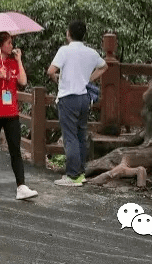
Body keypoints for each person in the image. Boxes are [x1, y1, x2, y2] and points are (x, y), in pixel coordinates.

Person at [47, 20, 107, 186]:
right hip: (84, 98)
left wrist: (56, 78)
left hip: (68, 97)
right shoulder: (91, 52)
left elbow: (51, 70)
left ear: (68, 34)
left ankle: (73, 176)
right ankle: (80, 173)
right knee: (80, 136)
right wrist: (89, 78)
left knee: (70, 137)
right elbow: (104, 66)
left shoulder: (65, 51)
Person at [0, 32, 38, 200]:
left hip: (11, 112)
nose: (11, 46)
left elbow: (23, 82)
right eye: (8, 42)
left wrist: (19, 60)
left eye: (11, 42)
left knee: (15, 149)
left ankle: (21, 186)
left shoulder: (13, 63)